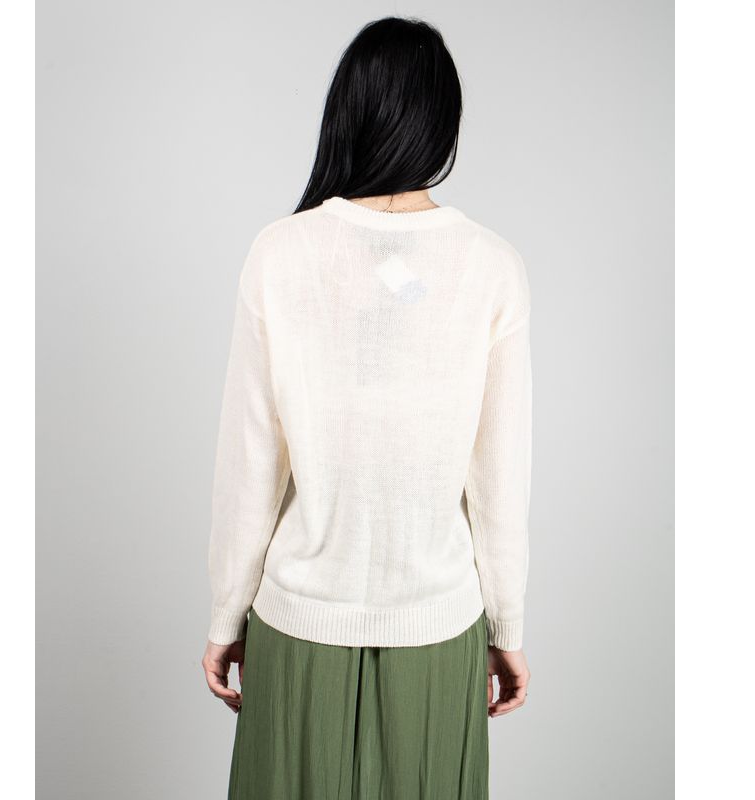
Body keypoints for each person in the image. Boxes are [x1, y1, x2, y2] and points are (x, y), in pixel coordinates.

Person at [202, 15, 531, 799]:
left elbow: (251, 461)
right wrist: (508, 624)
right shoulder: (491, 266)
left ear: (346, 113)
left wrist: (225, 616)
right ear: (443, 122)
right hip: (438, 628)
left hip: (297, 625)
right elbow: (500, 474)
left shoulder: (280, 252)